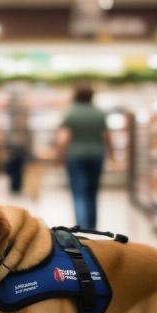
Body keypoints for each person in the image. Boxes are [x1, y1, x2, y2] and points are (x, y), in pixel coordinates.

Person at [56, 85, 112, 229]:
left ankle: (82, 226)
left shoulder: (70, 113)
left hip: (75, 156)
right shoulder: (100, 113)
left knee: (79, 192)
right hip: (96, 155)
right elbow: (106, 136)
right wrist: (112, 154)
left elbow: (64, 138)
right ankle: (92, 226)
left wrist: (59, 155)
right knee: (92, 192)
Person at [4, 93, 33, 194]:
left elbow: (29, 141)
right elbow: (7, 140)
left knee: (20, 171)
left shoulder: (26, 129)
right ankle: (14, 187)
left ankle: (18, 188)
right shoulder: (12, 129)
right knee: (13, 172)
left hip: (21, 152)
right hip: (13, 153)